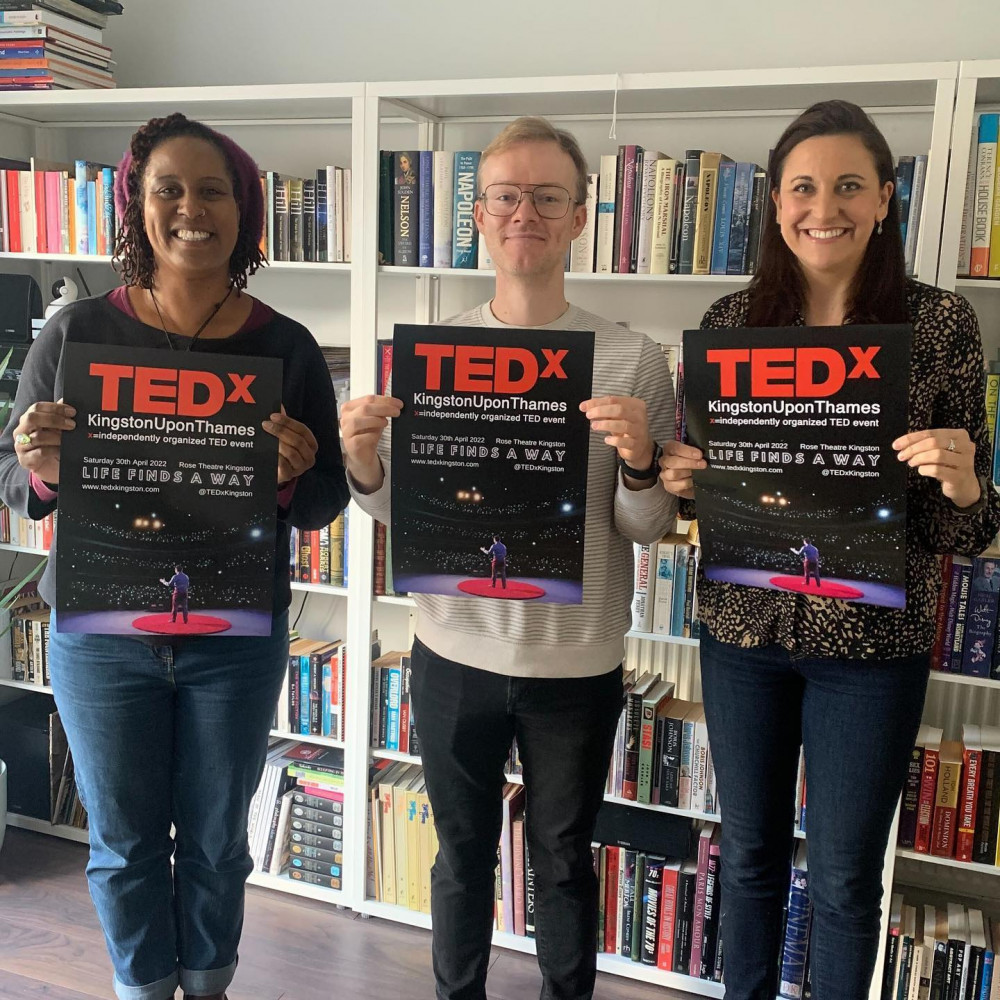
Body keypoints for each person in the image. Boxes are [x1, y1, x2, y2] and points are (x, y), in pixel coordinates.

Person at [0, 113, 349, 1000]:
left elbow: (321, 504)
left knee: (216, 837)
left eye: (212, 190)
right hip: (103, 634)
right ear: (137, 207)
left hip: (231, 638)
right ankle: (142, 988)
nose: (191, 208)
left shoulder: (286, 346)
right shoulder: (75, 332)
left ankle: (208, 983)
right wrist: (38, 470)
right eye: (169, 189)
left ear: (245, 213)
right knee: (120, 841)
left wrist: (292, 475)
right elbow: (16, 482)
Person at [659, 100, 1000, 1000]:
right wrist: (684, 478)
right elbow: (696, 500)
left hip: (872, 652)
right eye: (804, 187)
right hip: (742, 637)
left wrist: (964, 481)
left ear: (886, 199)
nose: (826, 206)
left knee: (849, 879)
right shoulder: (731, 322)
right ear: (776, 205)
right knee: (751, 857)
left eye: (850, 185)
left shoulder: (938, 327)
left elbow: (963, 531)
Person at [341, 116, 676, 1000]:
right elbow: (398, 516)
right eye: (506, 196)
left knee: (565, 862)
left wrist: (643, 463)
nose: (524, 211)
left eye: (547, 196)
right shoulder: (430, 355)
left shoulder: (637, 359)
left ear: (577, 218)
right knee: (461, 860)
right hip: (453, 652)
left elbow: (644, 528)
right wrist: (367, 465)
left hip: (579, 662)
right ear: (480, 216)